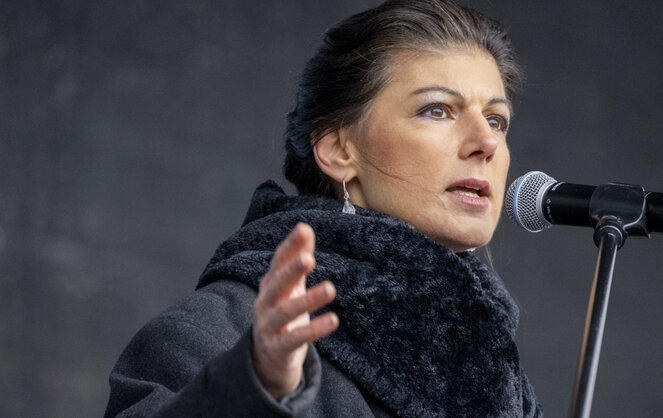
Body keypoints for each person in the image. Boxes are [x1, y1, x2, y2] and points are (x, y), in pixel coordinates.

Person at [105, 0, 541, 416]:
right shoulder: (220, 329)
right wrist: (255, 383)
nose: (486, 143)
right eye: (438, 110)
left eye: (496, 119)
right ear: (336, 149)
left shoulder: (499, 372)